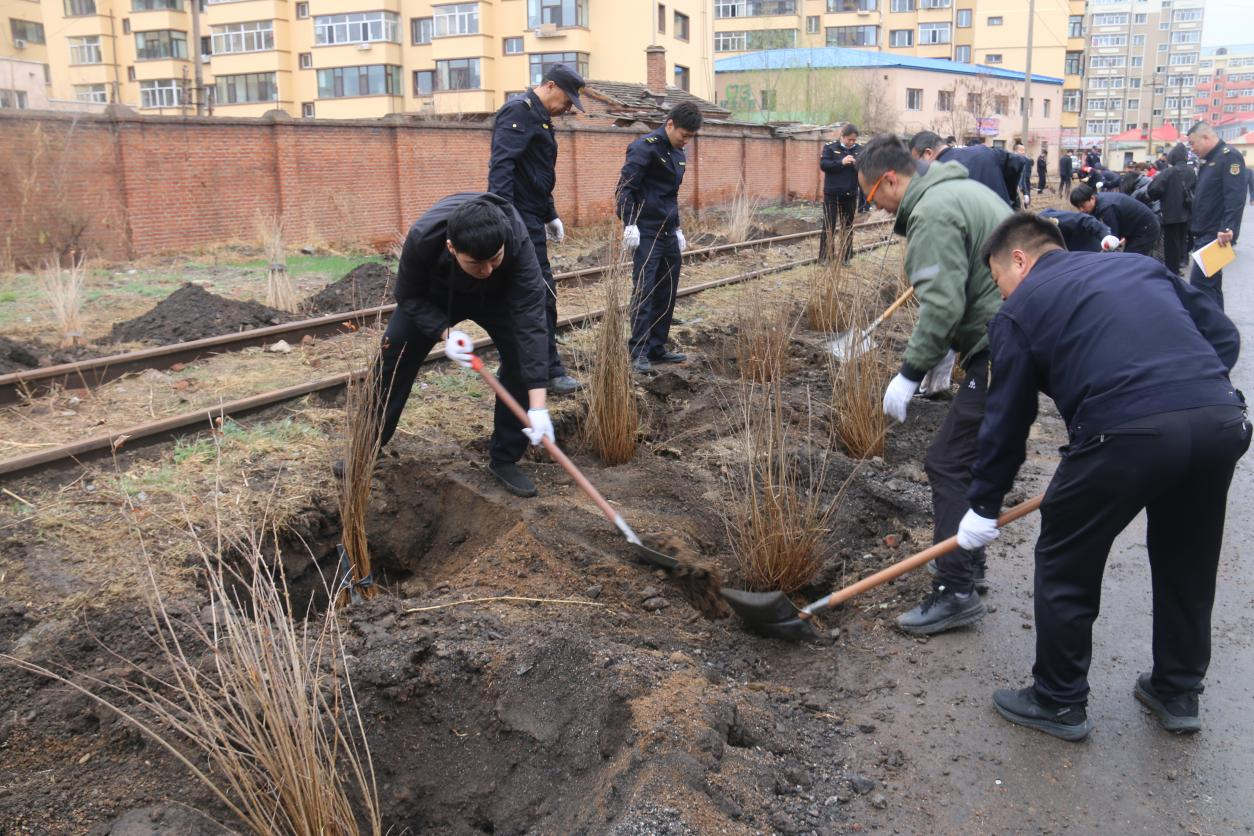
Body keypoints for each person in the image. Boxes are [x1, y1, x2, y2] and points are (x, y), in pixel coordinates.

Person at [958, 212, 1247, 741]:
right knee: (1188, 557)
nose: (1001, 295)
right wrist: (1198, 393)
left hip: (1123, 434)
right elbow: (1223, 337)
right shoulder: (1140, 268)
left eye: (998, 280)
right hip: (1219, 422)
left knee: (1065, 559)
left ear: (1018, 259)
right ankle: (1177, 690)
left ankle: (1059, 700)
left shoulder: (1019, 310)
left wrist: (982, 503)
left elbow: (1007, 421)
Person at [855, 134, 1011, 635]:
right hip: (1017, 334)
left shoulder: (931, 214)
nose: (874, 208)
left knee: (946, 462)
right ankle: (969, 561)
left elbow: (942, 306)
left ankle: (954, 590)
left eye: (871, 196)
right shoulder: (962, 192)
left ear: (891, 180)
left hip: (1005, 343)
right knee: (976, 455)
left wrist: (908, 374)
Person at [370, 193, 554, 497]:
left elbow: (531, 324)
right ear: (451, 248)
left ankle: (505, 458)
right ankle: (368, 446)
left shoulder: (517, 242)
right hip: (435, 296)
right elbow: (408, 296)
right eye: (477, 264)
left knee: (523, 360)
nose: (487, 270)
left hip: (500, 298)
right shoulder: (423, 238)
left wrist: (537, 406)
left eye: (494, 259)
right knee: (395, 354)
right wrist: (444, 331)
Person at [487, 64, 585, 396]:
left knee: (532, 295)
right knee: (538, 295)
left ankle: (520, 366)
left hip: (531, 216)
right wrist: (507, 223)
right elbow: (502, 169)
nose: (568, 108)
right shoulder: (519, 112)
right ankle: (546, 373)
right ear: (551, 86)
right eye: (567, 100)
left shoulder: (540, 118)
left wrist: (551, 213)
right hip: (519, 220)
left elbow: (536, 175)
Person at [618, 101, 703, 373]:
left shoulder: (678, 154)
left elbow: (670, 196)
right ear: (669, 125)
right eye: (684, 135)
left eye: (691, 137)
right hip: (646, 232)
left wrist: (677, 228)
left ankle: (657, 347)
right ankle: (639, 350)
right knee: (645, 290)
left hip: (667, 231)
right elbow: (625, 189)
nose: (686, 141)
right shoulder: (644, 148)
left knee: (667, 290)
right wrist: (629, 224)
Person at [1186, 121, 1247, 310]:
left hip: (1215, 235)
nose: (1192, 149)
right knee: (1210, 286)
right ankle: (1219, 332)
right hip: (1205, 233)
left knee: (1201, 285)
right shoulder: (1211, 159)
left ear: (1205, 137)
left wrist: (1228, 228)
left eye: (1193, 143)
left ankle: (1211, 331)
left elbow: (1235, 196)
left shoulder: (1228, 156)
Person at [908, 130, 1017, 207]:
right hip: (1008, 230)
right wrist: (1008, 196)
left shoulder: (938, 178)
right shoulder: (985, 152)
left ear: (928, 153)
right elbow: (1018, 162)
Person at [1070, 182, 1161, 257]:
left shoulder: (1106, 208)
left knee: (1132, 259)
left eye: (1082, 205)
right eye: (1078, 207)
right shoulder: (1097, 202)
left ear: (1092, 198)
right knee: (1130, 257)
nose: (1081, 210)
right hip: (1134, 228)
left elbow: (1112, 238)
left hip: (1146, 228)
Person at [1147, 142, 1196, 274]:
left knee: (1171, 244)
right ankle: (1181, 262)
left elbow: (1153, 189)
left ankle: (1172, 271)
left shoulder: (1169, 172)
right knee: (1183, 240)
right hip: (1187, 212)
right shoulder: (1192, 171)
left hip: (1171, 213)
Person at [819, 123, 861, 264]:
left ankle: (846, 257)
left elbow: (865, 168)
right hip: (832, 194)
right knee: (829, 225)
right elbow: (824, 165)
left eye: (854, 140)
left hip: (850, 194)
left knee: (847, 227)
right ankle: (825, 257)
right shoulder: (830, 147)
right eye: (849, 139)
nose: (852, 143)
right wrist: (841, 162)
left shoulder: (859, 150)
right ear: (842, 137)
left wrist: (857, 164)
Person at [1039, 208, 1119, 253]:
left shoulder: (1043, 220)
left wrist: (1104, 234)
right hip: (1071, 255)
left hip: (1089, 247)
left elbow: (1083, 219)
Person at [1011, 143, 1033, 208]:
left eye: (1024, 150)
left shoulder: (1023, 163)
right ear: (1015, 151)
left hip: (1019, 193)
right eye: (1021, 150)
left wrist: (1026, 193)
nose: (1023, 152)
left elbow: (1023, 181)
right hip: (1011, 193)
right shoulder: (1010, 162)